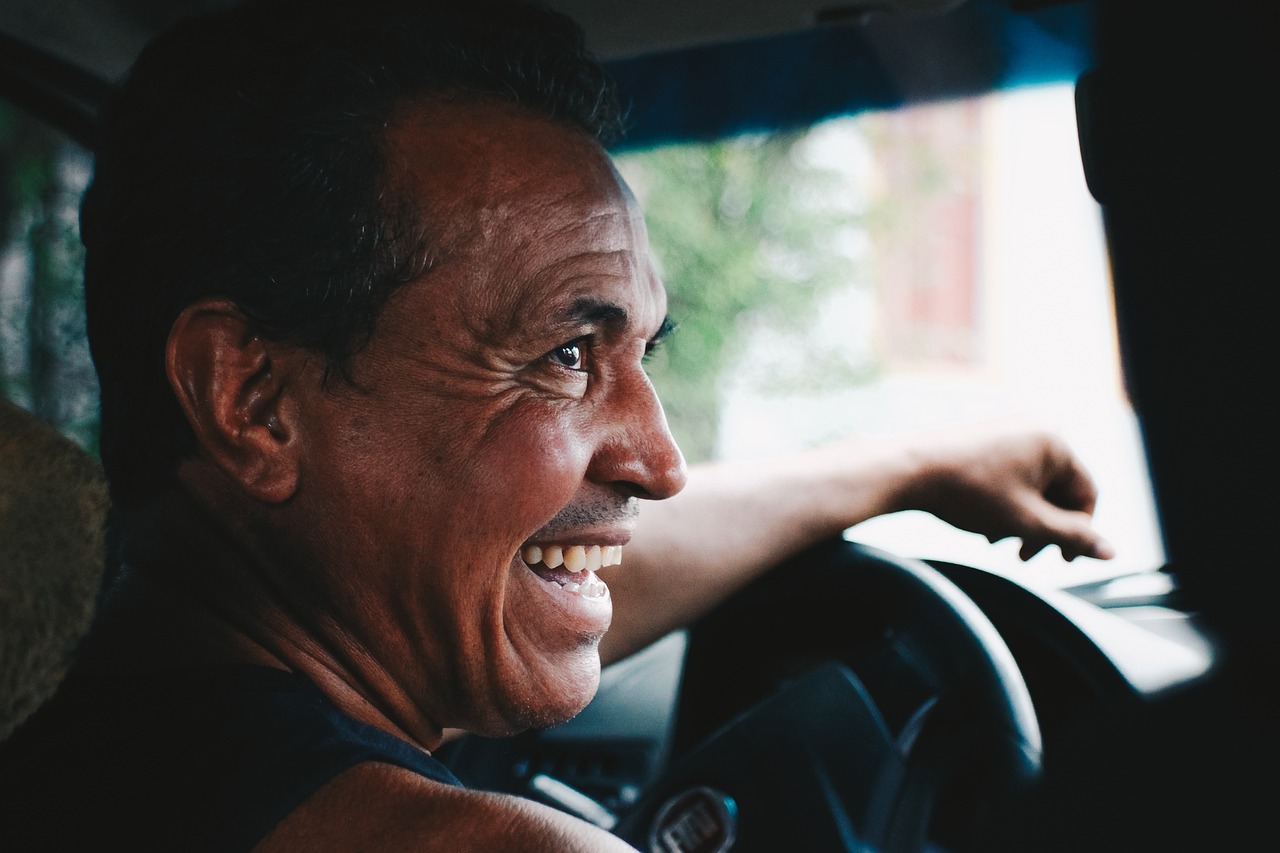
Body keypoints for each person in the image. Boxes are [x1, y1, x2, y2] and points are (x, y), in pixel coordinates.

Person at [0, 1, 1113, 850]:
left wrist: (914, 465)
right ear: (250, 396)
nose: (661, 462)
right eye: (564, 355)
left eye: (642, 352)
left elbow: (540, 547)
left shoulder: (79, 708)